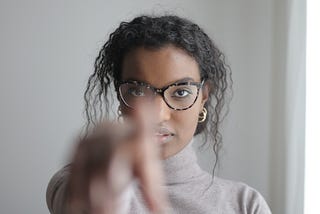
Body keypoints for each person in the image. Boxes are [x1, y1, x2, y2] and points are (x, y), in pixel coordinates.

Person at [46, 15, 272, 214]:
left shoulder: (245, 204)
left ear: (204, 97)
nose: (158, 115)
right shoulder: (75, 185)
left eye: (181, 92)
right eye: (137, 91)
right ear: (120, 97)